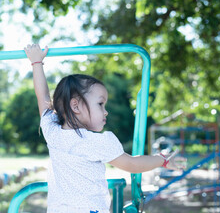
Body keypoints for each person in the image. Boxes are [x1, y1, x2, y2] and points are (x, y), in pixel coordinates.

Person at [24, 44, 184, 213]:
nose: (105, 111)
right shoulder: (97, 141)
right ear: (75, 106)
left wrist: (36, 63)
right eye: (100, 104)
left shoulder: (52, 132)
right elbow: (132, 164)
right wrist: (162, 159)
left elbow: (42, 97)